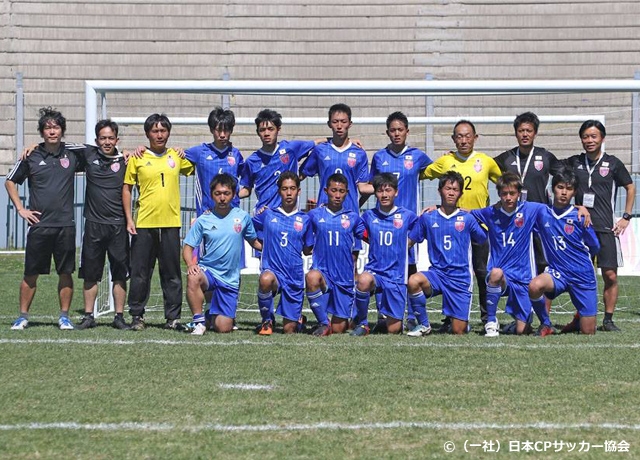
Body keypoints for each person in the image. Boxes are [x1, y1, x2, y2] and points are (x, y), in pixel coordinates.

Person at [6, 107, 83, 330]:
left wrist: (124, 151)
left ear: (62, 131)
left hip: (65, 225)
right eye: (48, 128)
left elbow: (99, 151)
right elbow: (10, 181)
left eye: (56, 127)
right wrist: (21, 209)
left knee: (65, 273)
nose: (52, 131)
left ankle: (64, 316)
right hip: (39, 225)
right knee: (31, 273)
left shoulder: (72, 154)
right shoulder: (31, 156)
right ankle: (23, 316)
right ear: (42, 132)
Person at [420, 120, 501, 327]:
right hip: (452, 229)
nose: (463, 140)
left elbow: (506, 186)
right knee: (449, 272)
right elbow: (419, 173)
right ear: (453, 139)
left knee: (482, 273)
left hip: (479, 227)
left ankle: (487, 318)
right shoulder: (445, 161)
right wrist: (436, 207)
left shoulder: (486, 161)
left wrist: (493, 213)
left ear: (475, 138)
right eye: (459, 136)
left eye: (467, 136)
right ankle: (451, 317)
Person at [122, 113, 194, 331]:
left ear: (168, 133)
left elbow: (195, 168)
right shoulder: (138, 157)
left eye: (163, 130)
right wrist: (129, 219)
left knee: (172, 272)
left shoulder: (176, 156)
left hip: (171, 223)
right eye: (155, 131)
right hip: (144, 223)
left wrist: (184, 151)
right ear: (148, 134)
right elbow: (127, 188)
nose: (159, 135)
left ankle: (173, 318)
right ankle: (137, 315)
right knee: (140, 272)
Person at [563, 120, 635, 332]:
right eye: (585, 136)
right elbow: (559, 182)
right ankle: (580, 317)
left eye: (593, 136)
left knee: (610, 275)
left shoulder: (613, 163)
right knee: (579, 276)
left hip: (606, 228)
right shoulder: (574, 162)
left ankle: (608, 320)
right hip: (580, 229)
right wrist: (574, 206)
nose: (589, 140)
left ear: (602, 138)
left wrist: (626, 217)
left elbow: (630, 188)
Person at [368, 111, 432, 330]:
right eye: (393, 130)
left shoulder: (418, 156)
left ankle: (412, 315)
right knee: (382, 267)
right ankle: (383, 315)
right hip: (384, 222)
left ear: (407, 131)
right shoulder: (379, 157)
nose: (397, 134)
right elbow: (371, 185)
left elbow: (436, 172)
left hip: (407, 223)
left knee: (409, 266)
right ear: (387, 132)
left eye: (400, 130)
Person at [471, 172, 556, 337]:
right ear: (499, 194)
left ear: (519, 193)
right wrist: (438, 208)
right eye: (504, 194)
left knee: (521, 331)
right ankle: (491, 321)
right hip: (502, 277)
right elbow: (468, 213)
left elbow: (556, 210)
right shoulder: (490, 212)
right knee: (495, 273)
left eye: (512, 193)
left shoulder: (530, 209)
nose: (508, 197)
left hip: (523, 277)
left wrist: (580, 208)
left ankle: (521, 322)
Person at [407, 171, 488, 336]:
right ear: (440, 191)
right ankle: (424, 325)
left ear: (461, 194)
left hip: (460, 279)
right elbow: (410, 241)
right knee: (414, 281)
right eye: (448, 188)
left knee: (459, 331)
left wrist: (474, 214)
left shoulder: (467, 219)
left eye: (455, 190)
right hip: (437, 275)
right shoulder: (428, 217)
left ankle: (459, 321)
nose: (451, 193)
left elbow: (482, 238)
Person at [183, 174, 261, 335]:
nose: (222, 198)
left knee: (223, 328)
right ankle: (199, 322)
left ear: (233, 194)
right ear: (212, 195)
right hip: (209, 272)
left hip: (230, 279)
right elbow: (188, 247)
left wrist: (271, 249)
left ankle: (210, 313)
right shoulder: (204, 219)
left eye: (226, 193)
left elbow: (254, 241)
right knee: (193, 276)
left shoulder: (243, 217)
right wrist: (191, 264)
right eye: (218, 193)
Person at [72, 120, 130, 330]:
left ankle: (119, 317)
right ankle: (89, 316)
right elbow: (58, 145)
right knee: (90, 274)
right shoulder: (89, 154)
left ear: (117, 140)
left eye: (110, 138)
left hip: (118, 226)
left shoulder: (125, 160)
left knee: (120, 274)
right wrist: (37, 146)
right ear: (96, 140)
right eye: (103, 138)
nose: (107, 142)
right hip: (94, 225)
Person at [529, 168, 601, 335]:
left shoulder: (580, 217)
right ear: (553, 189)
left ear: (574, 192)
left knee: (588, 331)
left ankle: (579, 317)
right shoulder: (541, 212)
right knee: (534, 286)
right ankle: (546, 324)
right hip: (557, 273)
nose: (563, 192)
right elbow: (515, 206)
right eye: (560, 187)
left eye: (569, 189)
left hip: (582, 275)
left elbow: (595, 246)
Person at [494, 112, 563, 278]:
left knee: (542, 262)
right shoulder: (506, 157)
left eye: (529, 131)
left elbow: (565, 176)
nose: (525, 134)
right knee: (515, 261)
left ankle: (542, 295)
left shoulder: (545, 156)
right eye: (521, 131)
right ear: (516, 133)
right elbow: (483, 165)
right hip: (513, 219)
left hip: (539, 218)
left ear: (535, 133)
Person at [353, 173, 418, 336]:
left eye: (388, 190)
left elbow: (420, 230)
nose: (384, 195)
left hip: (396, 276)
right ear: (375, 193)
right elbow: (361, 234)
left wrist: (407, 243)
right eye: (380, 191)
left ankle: (390, 319)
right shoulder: (368, 216)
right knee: (363, 280)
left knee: (393, 330)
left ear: (396, 192)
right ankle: (362, 323)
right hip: (375, 272)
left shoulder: (407, 216)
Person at [253, 172, 313, 334]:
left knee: (289, 330)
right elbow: (248, 228)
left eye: (292, 188)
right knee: (265, 279)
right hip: (273, 272)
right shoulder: (267, 214)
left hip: (294, 276)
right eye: (285, 189)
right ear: (279, 191)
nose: (289, 193)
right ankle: (267, 320)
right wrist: (258, 245)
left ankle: (298, 320)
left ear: (298, 191)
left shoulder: (305, 219)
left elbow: (307, 249)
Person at [306, 173, 366, 336]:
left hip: (344, 277)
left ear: (347, 193)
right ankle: (323, 323)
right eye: (334, 190)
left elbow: (368, 236)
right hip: (323, 273)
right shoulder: (314, 215)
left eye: (341, 191)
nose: (337, 195)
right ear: (326, 191)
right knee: (311, 277)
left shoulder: (353, 218)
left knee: (339, 329)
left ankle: (352, 317)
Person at [239, 109, 322, 212]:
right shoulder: (252, 161)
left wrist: (338, 140)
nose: (266, 133)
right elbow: (246, 190)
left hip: (288, 214)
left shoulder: (291, 149)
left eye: (270, 129)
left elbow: (316, 143)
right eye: (262, 130)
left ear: (278, 130)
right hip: (264, 213)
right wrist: (227, 196)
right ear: (258, 132)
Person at [300, 103, 370, 214]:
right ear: (329, 124)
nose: (339, 126)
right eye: (335, 122)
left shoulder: (359, 153)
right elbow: (301, 175)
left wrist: (388, 187)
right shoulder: (320, 150)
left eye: (343, 122)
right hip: (324, 212)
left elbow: (363, 187)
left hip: (349, 213)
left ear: (350, 124)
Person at [185, 107, 244, 215]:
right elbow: (173, 155)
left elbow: (246, 179)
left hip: (232, 215)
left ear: (231, 130)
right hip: (207, 214)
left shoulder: (236, 154)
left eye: (226, 130)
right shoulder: (199, 152)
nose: (222, 135)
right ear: (212, 130)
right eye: (218, 130)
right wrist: (177, 150)